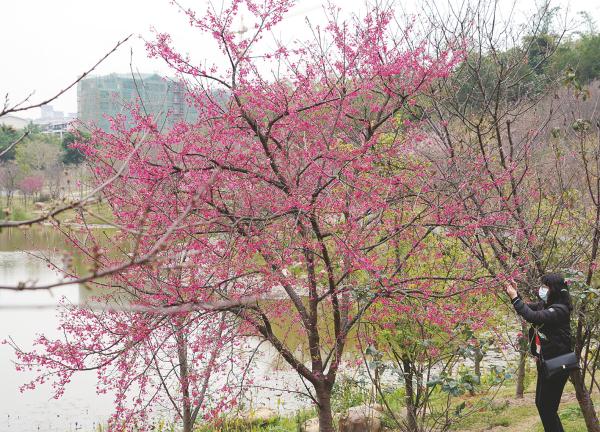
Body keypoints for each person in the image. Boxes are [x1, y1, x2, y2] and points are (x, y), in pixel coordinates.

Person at [504, 273, 573, 432]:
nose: (542, 289)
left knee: (547, 408)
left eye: (546, 286)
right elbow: (527, 308)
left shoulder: (559, 310)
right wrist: (516, 294)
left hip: (558, 364)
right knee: (541, 404)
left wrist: (515, 298)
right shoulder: (546, 305)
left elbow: (532, 316)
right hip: (546, 362)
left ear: (554, 289)